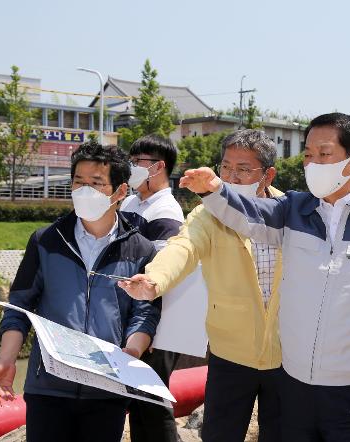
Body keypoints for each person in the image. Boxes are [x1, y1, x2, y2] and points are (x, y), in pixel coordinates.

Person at [144, 113, 350, 441]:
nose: (312, 163)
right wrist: (215, 190)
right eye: (307, 155)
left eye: (323, 154)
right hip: (290, 382)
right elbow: (244, 218)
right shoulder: (294, 210)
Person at [0, 141, 160, 442]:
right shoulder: (46, 241)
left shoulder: (140, 250)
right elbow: (19, 307)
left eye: (95, 183)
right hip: (48, 388)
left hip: (108, 390)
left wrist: (129, 358)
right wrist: (7, 359)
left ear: (119, 192)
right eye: (78, 182)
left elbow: (144, 314)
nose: (84, 191)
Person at [119, 129, 284, 442]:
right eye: (226, 168)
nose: (232, 177)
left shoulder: (289, 213)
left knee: (281, 433)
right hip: (230, 352)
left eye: (243, 170)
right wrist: (154, 280)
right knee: (220, 433)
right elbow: (183, 247)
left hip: (286, 352)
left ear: (268, 174)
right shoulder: (207, 214)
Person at [120, 134, 185, 442]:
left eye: (138, 163)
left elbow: (161, 272)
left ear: (159, 167)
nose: (131, 168)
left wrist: (153, 330)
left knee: (153, 401)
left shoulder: (166, 211)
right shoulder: (133, 200)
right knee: (138, 400)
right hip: (134, 315)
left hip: (156, 320)